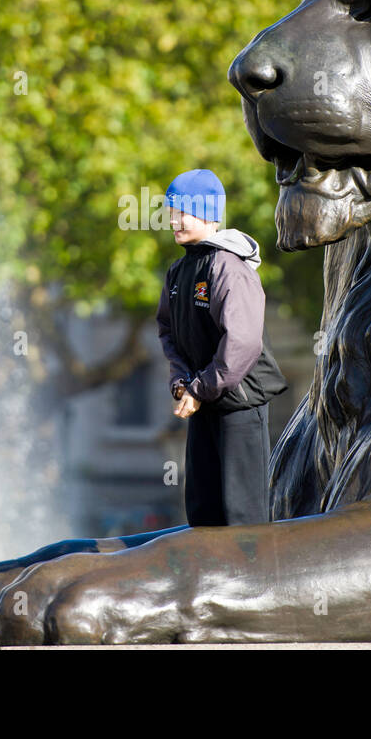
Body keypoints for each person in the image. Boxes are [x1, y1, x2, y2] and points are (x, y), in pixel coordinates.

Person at [155, 168, 288, 526]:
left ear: (209, 215)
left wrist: (199, 389)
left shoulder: (227, 266)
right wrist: (182, 380)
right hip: (204, 404)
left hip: (238, 406)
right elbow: (168, 330)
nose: (175, 220)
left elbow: (243, 341)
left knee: (241, 518)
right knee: (203, 514)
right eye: (171, 212)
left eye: (184, 211)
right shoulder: (178, 271)